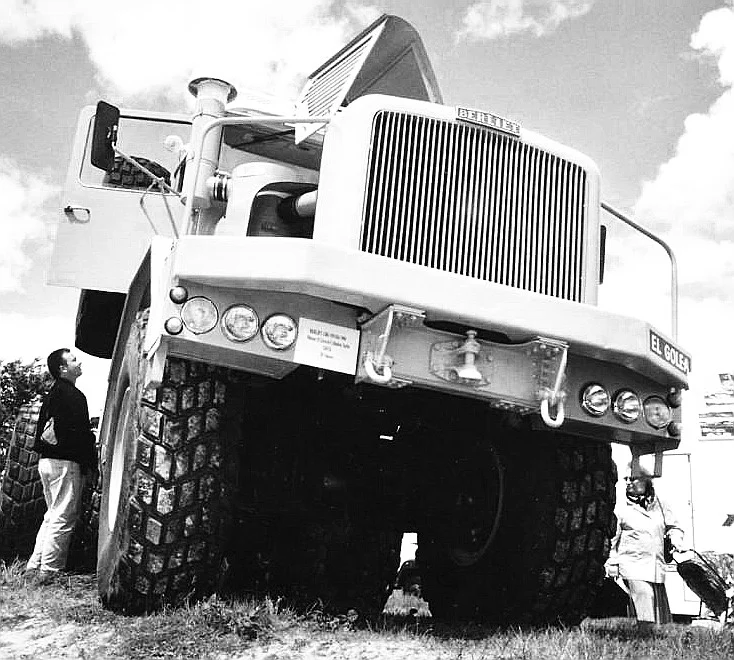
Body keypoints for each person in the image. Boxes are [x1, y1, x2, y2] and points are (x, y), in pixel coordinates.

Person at [25, 348, 97, 585]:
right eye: (74, 359)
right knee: (64, 516)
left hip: (47, 461)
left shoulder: (53, 394)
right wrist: (91, 463)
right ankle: (50, 572)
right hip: (65, 462)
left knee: (52, 514)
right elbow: (80, 435)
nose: (79, 362)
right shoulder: (73, 396)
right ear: (63, 369)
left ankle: (34, 567)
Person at [605, 463, 686, 628]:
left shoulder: (661, 504)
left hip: (656, 564)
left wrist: (676, 540)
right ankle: (645, 636)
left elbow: (674, 527)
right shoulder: (621, 508)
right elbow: (612, 539)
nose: (628, 482)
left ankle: (651, 640)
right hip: (632, 564)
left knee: (657, 609)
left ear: (646, 481)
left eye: (633, 479)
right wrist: (611, 563)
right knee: (644, 596)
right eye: (626, 479)